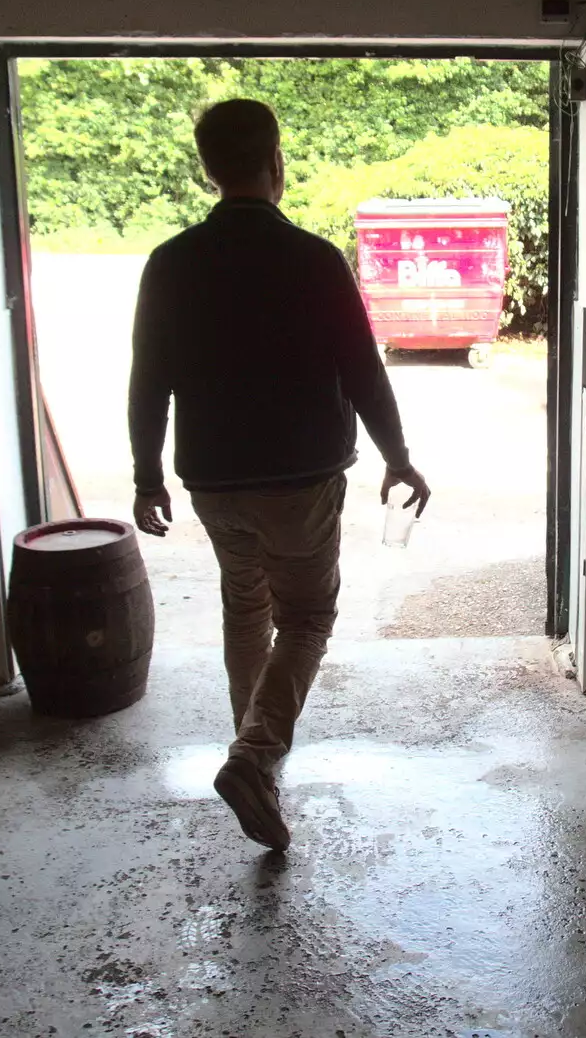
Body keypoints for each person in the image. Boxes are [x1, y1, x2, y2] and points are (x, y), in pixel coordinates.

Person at [128, 99, 430, 851]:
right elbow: (362, 370)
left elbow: (147, 381)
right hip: (300, 482)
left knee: (246, 606)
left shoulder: (170, 262)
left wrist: (146, 476)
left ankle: (251, 751)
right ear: (277, 162)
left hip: (214, 484)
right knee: (306, 618)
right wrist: (397, 454)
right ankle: (256, 758)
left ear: (209, 169)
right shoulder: (313, 259)